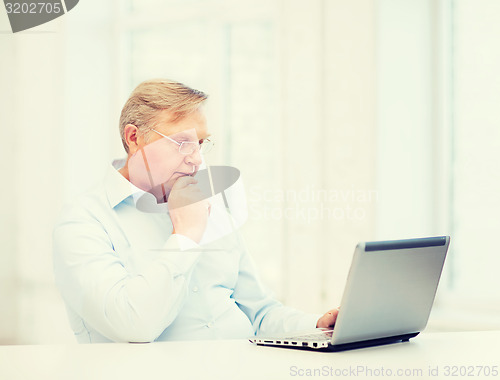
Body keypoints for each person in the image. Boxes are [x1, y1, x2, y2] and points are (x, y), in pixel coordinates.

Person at [53, 79, 338, 343]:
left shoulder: (210, 208)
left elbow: (260, 314)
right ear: (134, 138)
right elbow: (133, 325)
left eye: (200, 143)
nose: (197, 160)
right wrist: (185, 236)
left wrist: (319, 325)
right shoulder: (83, 223)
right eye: (182, 143)